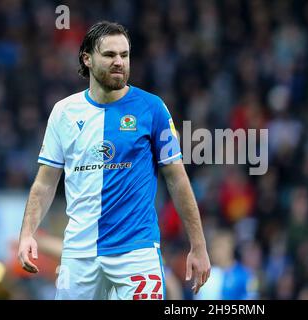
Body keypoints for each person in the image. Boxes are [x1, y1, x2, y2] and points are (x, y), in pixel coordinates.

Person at [17, 21, 211, 300]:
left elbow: (177, 178)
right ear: (87, 58)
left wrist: (198, 245)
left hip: (137, 252)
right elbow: (45, 183)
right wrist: (27, 234)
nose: (119, 62)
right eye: (109, 55)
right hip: (78, 254)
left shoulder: (153, 108)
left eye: (124, 55)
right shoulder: (64, 112)